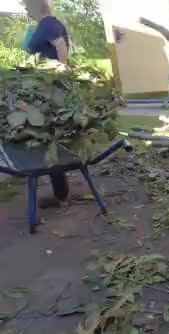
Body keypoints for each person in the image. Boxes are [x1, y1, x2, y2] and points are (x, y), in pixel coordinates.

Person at [23, 0, 71, 206]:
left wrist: (61, 70)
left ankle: (61, 194)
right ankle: (61, 192)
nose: (25, 10)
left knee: (50, 134)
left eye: (27, 6)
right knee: (50, 135)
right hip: (45, 88)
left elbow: (60, 45)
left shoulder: (49, 23)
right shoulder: (43, 26)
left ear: (35, 6)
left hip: (51, 90)